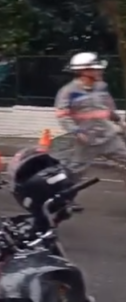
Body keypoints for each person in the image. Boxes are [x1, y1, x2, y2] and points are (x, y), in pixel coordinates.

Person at [54, 52, 126, 198]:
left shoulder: (101, 87)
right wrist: (77, 132)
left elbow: (108, 109)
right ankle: (65, 199)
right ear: (83, 71)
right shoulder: (68, 91)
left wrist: (120, 122)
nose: (100, 71)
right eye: (95, 69)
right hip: (86, 140)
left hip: (108, 136)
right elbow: (62, 116)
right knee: (75, 171)